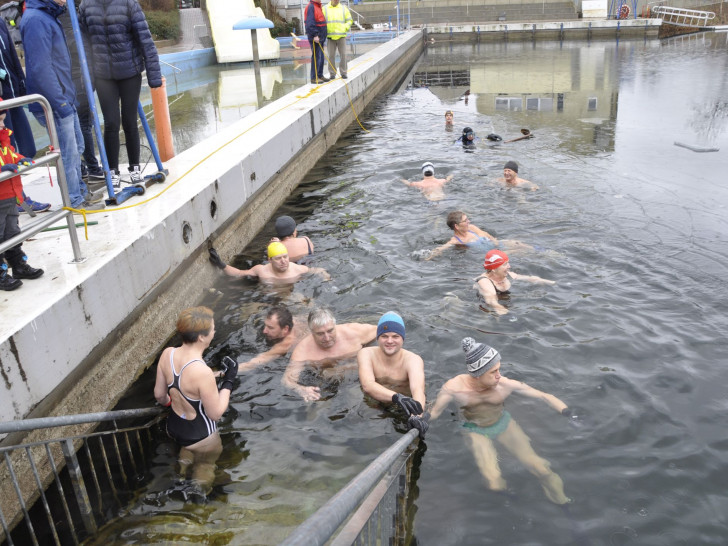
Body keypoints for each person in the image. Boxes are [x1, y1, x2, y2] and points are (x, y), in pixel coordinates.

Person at [430, 337, 571, 504]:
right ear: (477, 374)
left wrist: (568, 413)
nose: (499, 376)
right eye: (493, 372)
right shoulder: (454, 388)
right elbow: (434, 412)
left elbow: (543, 396)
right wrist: (419, 420)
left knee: (542, 468)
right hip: (474, 429)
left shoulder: (505, 384)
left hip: (503, 424)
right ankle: (512, 501)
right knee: (493, 482)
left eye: (499, 369)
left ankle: (564, 504)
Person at [20, 0, 104, 211]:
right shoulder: (36, 20)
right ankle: (74, 202)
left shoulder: (48, 16)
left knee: (77, 148)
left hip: (64, 99)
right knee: (68, 153)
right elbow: (41, 68)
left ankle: (80, 193)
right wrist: (61, 102)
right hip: (56, 104)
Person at [153, 306, 238, 498]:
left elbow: (159, 395)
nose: (214, 332)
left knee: (187, 450)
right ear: (201, 337)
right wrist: (229, 381)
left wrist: (171, 401)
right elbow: (215, 413)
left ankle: (180, 476)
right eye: (213, 329)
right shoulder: (202, 371)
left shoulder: (168, 354)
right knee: (206, 465)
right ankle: (196, 498)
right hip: (201, 436)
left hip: (174, 426)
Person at [79, 0, 162, 186]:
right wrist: (88, 78)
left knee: (130, 121)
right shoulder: (86, 6)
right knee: (111, 123)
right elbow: (84, 44)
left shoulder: (128, 4)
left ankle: (134, 167)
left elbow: (145, 41)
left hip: (129, 73)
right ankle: (113, 170)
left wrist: (154, 75)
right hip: (103, 75)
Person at [0, 17, 52, 213]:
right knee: (6, 156)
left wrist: (22, 86)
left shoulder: (0, 22)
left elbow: (12, 56)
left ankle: (17, 197)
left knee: (26, 149)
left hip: (12, 98)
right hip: (1, 103)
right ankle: (17, 200)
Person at [357, 311, 428, 437]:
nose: (390, 341)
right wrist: (396, 397)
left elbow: (418, 390)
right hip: (374, 402)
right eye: (384, 336)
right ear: (378, 337)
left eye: (395, 336)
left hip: (406, 407)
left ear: (402, 338)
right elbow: (367, 385)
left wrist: (416, 416)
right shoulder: (366, 354)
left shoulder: (413, 360)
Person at [283, 307, 377, 401]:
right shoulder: (303, 351)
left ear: (335, 325)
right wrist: (301, 389)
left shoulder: (354, 332)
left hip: (359, 373)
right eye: (320, 334)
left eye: (330, 331)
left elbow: (384, 332)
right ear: (312, 332)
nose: (327, 338)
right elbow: (287, 380)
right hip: (328, 382)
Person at [59, 8, 104, 185]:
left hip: (76, 77)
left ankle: (86, 167)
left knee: (82, 124)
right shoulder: (69, 21)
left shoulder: (62, 19)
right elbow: (80, 50)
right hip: (78, 78)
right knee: (84, 124)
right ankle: (91, 167)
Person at [0, 108, 44, 291]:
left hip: (10, 195)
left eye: (3, 120)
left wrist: (19, 159)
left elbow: (9, 154)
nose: (3, 124)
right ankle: (1, 274)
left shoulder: (3, 138)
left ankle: (18, 264)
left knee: (12, 231)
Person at [475, 249, 555, 315]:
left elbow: (529, 278)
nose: (509, 266)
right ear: (494, 269)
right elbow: (491, 301)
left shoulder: (507, 274)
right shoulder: (485, 282)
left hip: (505, 301)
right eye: (505, 264)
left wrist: (550, 283)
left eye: (508, 263)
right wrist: (504, 312)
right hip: (487, 309)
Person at [426, 211, 531, 259]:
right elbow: (441, 249)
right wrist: (429, 256)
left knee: (517, 243)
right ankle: (541, 255)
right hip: (491, 253)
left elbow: (485, 234)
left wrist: (494, 240)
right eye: (465, 220)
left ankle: (540, 250)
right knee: (519, 252)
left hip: (496, 245)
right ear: (457, 226)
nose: (469, 221)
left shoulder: (471, 228)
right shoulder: (456, 241)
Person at [208, 242, 329, 284]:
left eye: (285, 257)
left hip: (290, 295)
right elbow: (239, 273)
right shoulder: (261, 270)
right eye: (278, 258)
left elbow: (318, 270)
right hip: (268, 298)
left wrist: (327, 278)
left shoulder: (296, 269)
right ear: (270, 260)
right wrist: (221, 264)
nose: (283, 261)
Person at [237, 305, 308, 373]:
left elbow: (259, 360)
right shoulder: (293, 320)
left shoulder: (286, 344)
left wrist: (230, 370)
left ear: (285, 329)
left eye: (270, 328)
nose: (264, 331)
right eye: (265, 325)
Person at [323, 0, 352, 80]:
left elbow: (349, 20)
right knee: (331, 56)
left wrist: (344, 28)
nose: (337, 1)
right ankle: (332, 74)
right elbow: (321, 22)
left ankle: (344, 72)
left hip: (341, 36)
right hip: (330, 36)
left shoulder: (343, 8)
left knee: (343, 55)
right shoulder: (325, 9)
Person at [305, 0, 328, 84]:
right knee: (316, 56)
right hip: (316, 36)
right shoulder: (311, 6)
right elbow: (310, 23)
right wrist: (315, 35)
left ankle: (320, 75)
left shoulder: (318, 6)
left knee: (321, 56)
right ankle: (314, 77)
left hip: (321, 36)